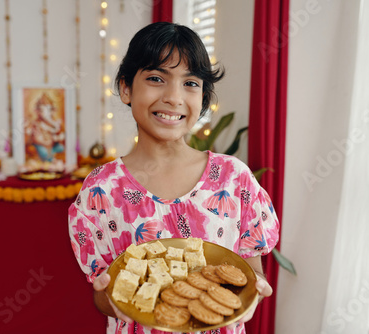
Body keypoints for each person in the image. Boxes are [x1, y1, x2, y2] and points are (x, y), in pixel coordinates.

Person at [68, 22, 279, 334]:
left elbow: (250, 272)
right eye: (156, 78)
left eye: (190, 84)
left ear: (204, 98)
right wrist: (109, 298)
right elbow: (103, 291)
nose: (173, 97)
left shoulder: (235, 179)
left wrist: (254, 290)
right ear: (126, 88)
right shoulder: (101, 188)